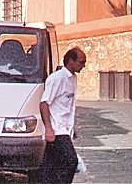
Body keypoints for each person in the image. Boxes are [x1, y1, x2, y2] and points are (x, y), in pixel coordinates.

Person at [38, 47, 87, 183]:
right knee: (70, 161)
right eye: (81, 62)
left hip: (64, 128)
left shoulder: (72, 79)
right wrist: (49, 129)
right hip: (56, 129)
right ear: (71, 61)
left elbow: (68, 106)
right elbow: (44, 104)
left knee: (50, 165)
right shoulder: (57, 79)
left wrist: (72, 126)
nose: (83, 66)